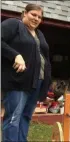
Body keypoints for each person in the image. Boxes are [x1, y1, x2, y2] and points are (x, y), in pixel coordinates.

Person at [1, 4, 51, 142]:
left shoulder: (40, 34)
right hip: (18, 81)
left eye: (39, 17)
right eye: (33, 15)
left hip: (37, 82)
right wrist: (15, 55)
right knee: (13, 117)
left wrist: (47, 82)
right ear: (24, 13)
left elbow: (45, 58)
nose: (36, 19)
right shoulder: (14, 25)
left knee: (26, 116)